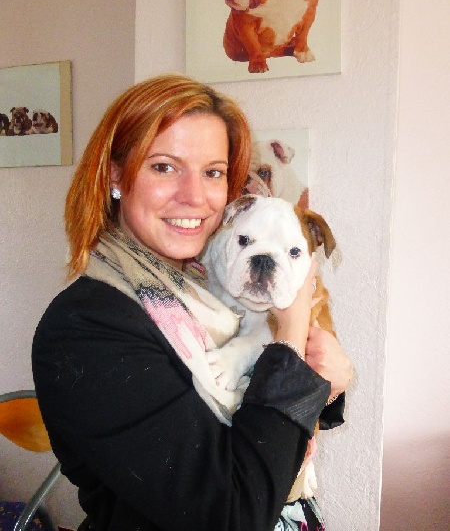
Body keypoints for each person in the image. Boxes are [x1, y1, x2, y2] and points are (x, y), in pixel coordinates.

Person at [32, 74, 352, 531]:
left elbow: (278, 404)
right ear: (116, 175)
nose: (195, 196)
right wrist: (294, 325)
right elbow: (230, 514)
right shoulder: (85, 328)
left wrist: (329, 384)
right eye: (164, 167)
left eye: (213, 172)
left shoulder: (203, 284)